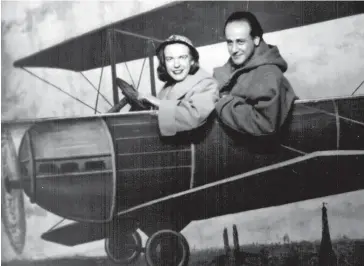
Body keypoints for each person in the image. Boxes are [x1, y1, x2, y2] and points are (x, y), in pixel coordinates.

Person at [214, 11, 297, 136]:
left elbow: (266, 125)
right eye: (229, 42)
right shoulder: (237, 65)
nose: (234, 50)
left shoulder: (269, 74)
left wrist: (223, 103)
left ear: (256, 40)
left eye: (240, 42)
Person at [139, 35, 219, 136]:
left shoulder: (207, 83)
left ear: (192, 60)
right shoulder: (168, 86)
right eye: (169, 59)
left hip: (191, 149)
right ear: (164, 63)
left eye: (182, 57)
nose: (176, 64)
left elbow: (194, 116)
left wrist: (157, 102)